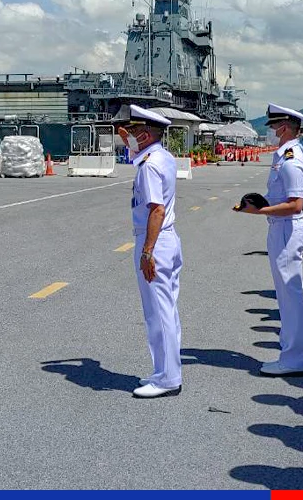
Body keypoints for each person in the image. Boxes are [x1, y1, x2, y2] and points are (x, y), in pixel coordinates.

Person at [114, 105, 184, 399]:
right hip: (166, 240)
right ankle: (164, 371)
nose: (127, 137)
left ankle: (168, 378)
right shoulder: (161, 157)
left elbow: (155, 209)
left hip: (154, 241)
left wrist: (146, 252)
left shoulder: (150, 165)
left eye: (131, 132)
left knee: (159, 312)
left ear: (144, 134)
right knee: (165, 309)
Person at [236, 104, 303, 377]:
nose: (269, 132)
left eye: (272, 127)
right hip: (280, 228)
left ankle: (293, 358)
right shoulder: (284, 155)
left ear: (283, 127)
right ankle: (290, 353)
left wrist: (260, 210)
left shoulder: (290, 159)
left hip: (287, 229)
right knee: (286, 296)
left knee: (290, 297)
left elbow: (295, 204)